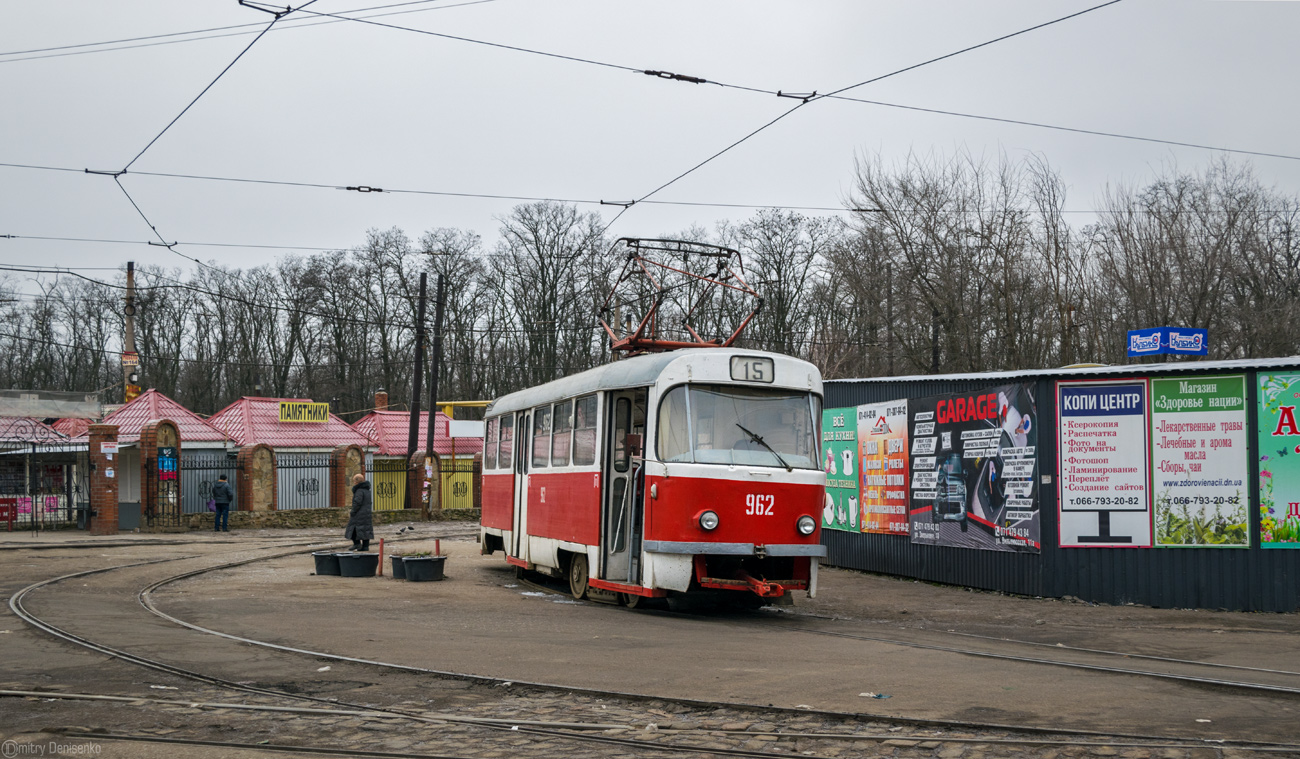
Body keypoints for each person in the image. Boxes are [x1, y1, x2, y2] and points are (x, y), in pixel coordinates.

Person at [346, 472, 373, 551]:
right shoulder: (367, 490)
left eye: (354, 481)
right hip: (367, 513)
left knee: (352, 528)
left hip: (359, 514)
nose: (353, 482)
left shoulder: (359, 491)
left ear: (356, 481)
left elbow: (357, 502)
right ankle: (365, 546)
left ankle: (357, 544)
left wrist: (353, 511)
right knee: (366, 530)